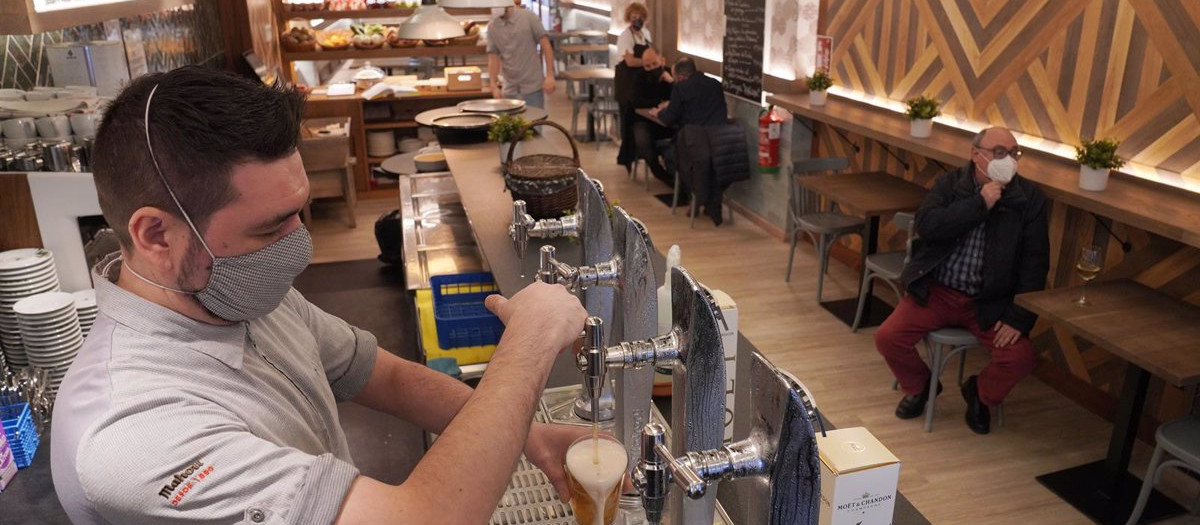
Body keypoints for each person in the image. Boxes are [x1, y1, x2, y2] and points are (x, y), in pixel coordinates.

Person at [50, 67, 591, 524]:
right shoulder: (129, 433)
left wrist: (527, 432)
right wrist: (529, 343)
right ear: (155, 235)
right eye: (270, 228)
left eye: (300, 213)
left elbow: (381, 374)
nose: (300, 248)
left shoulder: (232, 295)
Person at [874, 126, 1049, 435]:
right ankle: (921, 387)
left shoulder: (1028, 199)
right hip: (937, 291)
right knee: (888, 337)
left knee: (1020, 357)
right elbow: (928, 226)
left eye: (1013, 153)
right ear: (976, 154)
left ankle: (980, 394)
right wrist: (979, 204)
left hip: (988, 303)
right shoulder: (950, 184)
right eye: (998, 152)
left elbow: (1035, 264)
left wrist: (1019, 317)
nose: (1006, 159)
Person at [488, 0, 556, 109]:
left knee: (534, 124)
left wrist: (550, 75)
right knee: (511, 125)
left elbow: (546, 46)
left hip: (532, 87)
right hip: (509, 89)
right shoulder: (493, 26)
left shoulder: (529, 17)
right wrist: (492, 83)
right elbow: (493, 57)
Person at [613, 2, 656, 171]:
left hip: (641, 84)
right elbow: (630, 61)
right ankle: (627, 159)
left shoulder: (645, 33)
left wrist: (651, 61)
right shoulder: (625, 36)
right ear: (629, 19)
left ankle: (642, 154)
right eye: (634, 18)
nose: (637, 20)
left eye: (640, 18)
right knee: (627, 121)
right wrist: (649, 62)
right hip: (627, 85)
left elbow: (650, 54)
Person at [649, 57, 728, 128]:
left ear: (680, 78)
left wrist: (658, 113)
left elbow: (669, 118)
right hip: (719, 138)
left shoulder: (680, 88)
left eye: (675, 78)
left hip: (695, 139)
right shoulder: (716, 84)